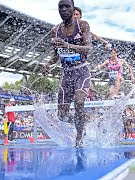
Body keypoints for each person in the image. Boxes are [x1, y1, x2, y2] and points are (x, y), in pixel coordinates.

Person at [43, 0, 93, 147]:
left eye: (67, 7)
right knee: (62, 116)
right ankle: (83, 120)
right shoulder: (55, 30)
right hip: (66, 75)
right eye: (61, 7)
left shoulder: (82, 25)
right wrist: (48, 64)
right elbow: (56, 55)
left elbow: (88, 48)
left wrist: (67, 45)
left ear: (72, 9)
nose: (64, 9)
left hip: (82, 72)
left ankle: (79, 136)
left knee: (78, 101)